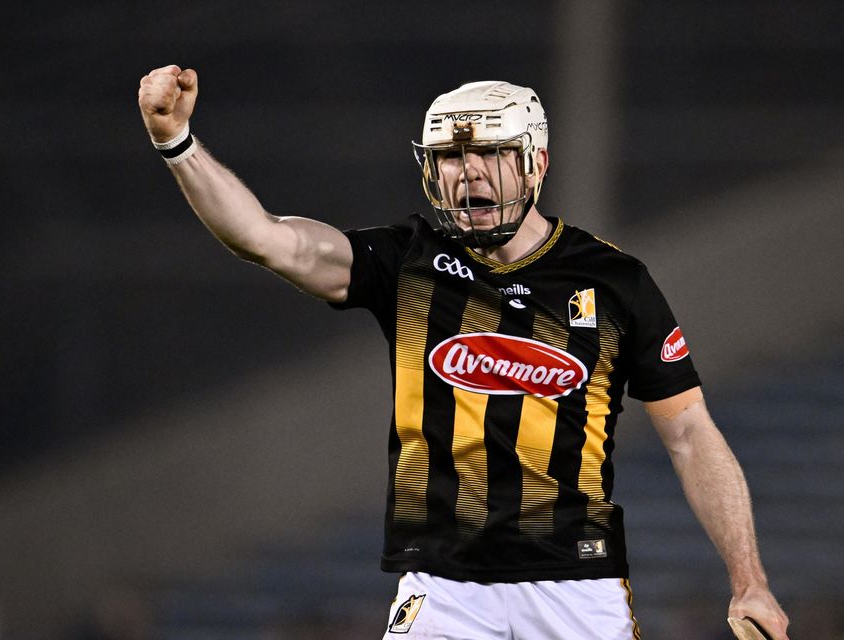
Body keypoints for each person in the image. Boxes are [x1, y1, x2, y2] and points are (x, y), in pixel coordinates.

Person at [137, 65, 790, 640]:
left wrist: (749, 576)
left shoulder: (614, 282)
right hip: (444, 587)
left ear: (536, 162)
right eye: (450, 155)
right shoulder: (408, 262)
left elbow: (689, 433)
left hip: (576, 587)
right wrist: (177, 143)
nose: (467, 171)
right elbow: (266, 239)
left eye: (490, 153)